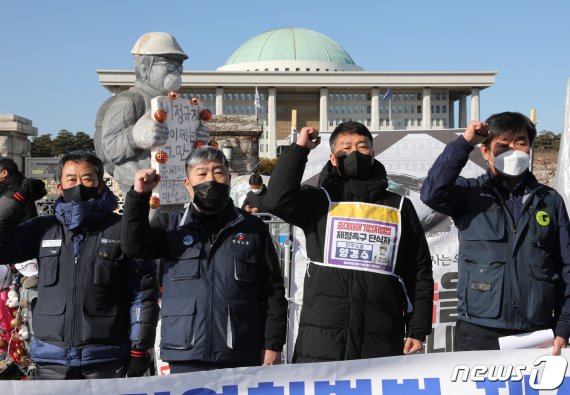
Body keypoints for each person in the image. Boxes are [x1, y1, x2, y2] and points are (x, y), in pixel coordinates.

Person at [264, 121, 434, 362]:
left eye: (362, 147)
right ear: (333, 158)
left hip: (380, 332)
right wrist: (300, 149)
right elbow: (276, 199)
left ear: (373, 154)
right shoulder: (319, 201)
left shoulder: (399, 206)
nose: (354, 153)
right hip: (322, 334)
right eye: (345, 148)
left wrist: (418, 328)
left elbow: (418, 269)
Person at [121, 146, 287, 373]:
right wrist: (139, 196)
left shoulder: (252, 228)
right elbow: (134, 246)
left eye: (218, 172)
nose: (211, 179)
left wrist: (273, 344)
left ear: (228, 178)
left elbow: (273, 291)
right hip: (186, 352)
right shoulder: (170, 225)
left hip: (240, 351)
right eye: (202, 174)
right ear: (188, 184)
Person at [420, 112, 570, 354]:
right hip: (479, 329)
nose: (513, 151)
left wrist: (563, 326)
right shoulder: (470, 193)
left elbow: (566, 266)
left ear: (530, 148)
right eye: (503, 145)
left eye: (520, 143)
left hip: (536, 329)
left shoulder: (549, 200)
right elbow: (432, 193)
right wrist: (464, 143)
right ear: (486, 152)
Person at [0, 152, 159, 379]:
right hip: (50, 358)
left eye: (87, 179)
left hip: (105, 359)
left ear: (101, 185)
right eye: (71, 179)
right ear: (60, 187)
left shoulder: (122, 229)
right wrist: (17, 200)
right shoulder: (43, 228)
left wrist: (139, 349)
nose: (79, 185)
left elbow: (143, 291)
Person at [95, 32, 196, 195]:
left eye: (179, 66)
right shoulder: (130, 101)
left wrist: (196, 136)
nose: (176, 71)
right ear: (144, 67)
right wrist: (136, 137)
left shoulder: (175, 104)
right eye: (169, 64)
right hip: (141, 185)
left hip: (175, 184)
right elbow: (109, 147)